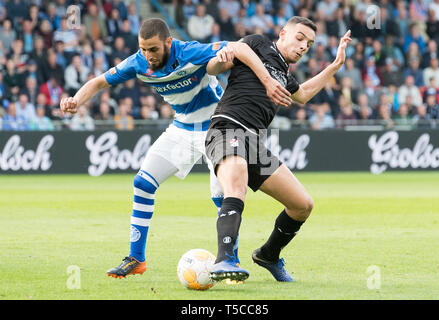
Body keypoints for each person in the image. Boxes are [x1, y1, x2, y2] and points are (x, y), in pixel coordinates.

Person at [60, 18, 290, 279]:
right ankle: (137, 258)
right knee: (143, 183)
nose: (147, 56)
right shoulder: (137, 62)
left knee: (224, 195)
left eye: (153, 50)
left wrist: (234, 59)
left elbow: (238, 47)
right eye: (143, 49)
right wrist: (75, 100)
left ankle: (230, 261)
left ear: (168, 42)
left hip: (215, 129)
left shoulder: (189, 51)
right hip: (181, 129)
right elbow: (99, 82)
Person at [204, 16, 352, 282]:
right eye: (299, 38)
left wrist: (335, 65)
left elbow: (304, 94)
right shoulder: (259, 43)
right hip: (227, 128)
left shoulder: (284, 74)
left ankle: (268, 255)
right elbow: (227, 57)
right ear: (283, 33)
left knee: (302, 205)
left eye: (309, 43)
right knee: (236, 186)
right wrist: (263, 79)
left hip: (255, 144)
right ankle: (223, 259)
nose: (304, 46)